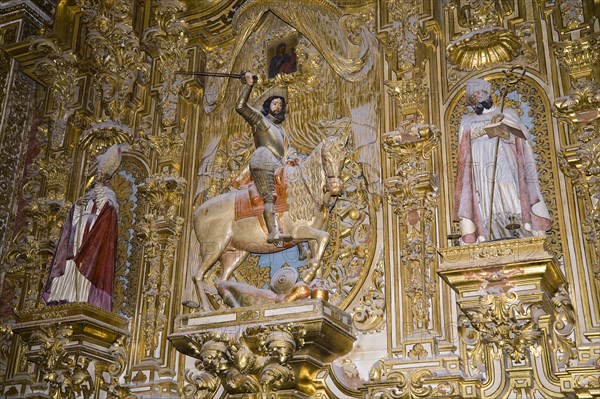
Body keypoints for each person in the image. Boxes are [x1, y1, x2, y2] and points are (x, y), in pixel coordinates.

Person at [453, 78, 551, 244]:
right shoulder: (467, 120)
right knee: (484, 196)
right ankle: (488, 230)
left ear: (489, 95)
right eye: (474, 96)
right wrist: (487, 127)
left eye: (481, 93)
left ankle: (518, 225)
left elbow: (521, 137)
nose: (479, 97)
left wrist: (505, 131)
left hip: (504, 159)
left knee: (508, 189)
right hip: (480, 164)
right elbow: (465, 139)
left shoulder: (507, 112)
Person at [42, 144, 122, 311]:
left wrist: (100, 190)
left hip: (93, 242)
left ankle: (81, 299)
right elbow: (75, 218)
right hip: (77, 239)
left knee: (85, 267)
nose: (97, 177)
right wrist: (76, 207)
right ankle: (64, 297)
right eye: (96, 174)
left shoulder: (108, 195)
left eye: (100, 175)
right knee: (71, 263)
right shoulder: (86, 196)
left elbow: (107, 214)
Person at [236, 71, 296, 244]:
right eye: (275, 103)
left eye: (280, 105)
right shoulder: (260, 120)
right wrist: (248, 85)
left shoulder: (281, 130)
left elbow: (286, 149)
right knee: (269, 196)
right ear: (268, 105)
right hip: (263, 161)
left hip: (278, 163)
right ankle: (272, 233)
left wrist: (293, 158)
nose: (277, 107)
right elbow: (241, 107)